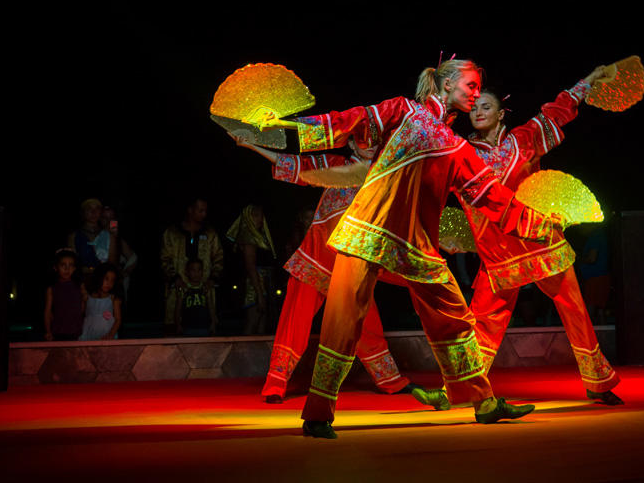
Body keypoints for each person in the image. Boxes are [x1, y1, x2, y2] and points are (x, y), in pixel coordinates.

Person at [255, 58, 558, 438]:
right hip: (367, 231)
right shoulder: (403, 112)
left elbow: (492, 197)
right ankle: (317, 414)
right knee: (341, 322)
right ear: (446, 84)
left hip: (416, 247)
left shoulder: (458, 148)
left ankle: (484, 402)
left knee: (455, 318)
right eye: (471, 85)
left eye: (479, 89)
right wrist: (285, 125)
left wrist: (539, 225)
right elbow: (349, 121)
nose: (476, 94)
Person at [462, 70, 623, 405]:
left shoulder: (524, 138)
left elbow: (557, 111)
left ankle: (597, 381)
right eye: (474, 107)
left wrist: (588, 81)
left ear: (501, 113)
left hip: (539, 240)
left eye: (486, 106)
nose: (478, 112)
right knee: (484, 321)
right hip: (498, 250)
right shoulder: (462, 152)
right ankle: (466, 386)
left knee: (574, 308)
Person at [234, 134, 416, 403]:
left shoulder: (386, 176)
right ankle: (276, 383)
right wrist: (251, 145)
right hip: (316, 259)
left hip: (351, 264)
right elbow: (295, 165)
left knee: (367, 322)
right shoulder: (335, 165)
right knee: (294, 321)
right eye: (363, 139)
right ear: (351, 144)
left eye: (375, 139)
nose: (370, 145)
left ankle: (390, 380)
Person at [160, 198, 223, 334]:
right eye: (200, 210)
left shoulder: (210, 234)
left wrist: (212, 279)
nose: (204, 214)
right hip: (177, 292)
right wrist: (175, 278)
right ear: (190, 210)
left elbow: (219, 258)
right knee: (174, 334)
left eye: (205, 211)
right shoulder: (172, 233)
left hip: (204, 295)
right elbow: (164, 258)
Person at [227, 204, 277, 335]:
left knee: (261, 325)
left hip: (263, 284)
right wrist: (259, 294)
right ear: (247, 218)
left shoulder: (260, 237)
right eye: (255, 216)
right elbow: (250, 266)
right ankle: (244, 349)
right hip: (254, 286)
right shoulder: (248, 237)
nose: (260, 219)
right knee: (252, 323)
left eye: (261, 215)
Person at [67, 198, 118, 275]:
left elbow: (112, 263)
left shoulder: (108, 234)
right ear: (83, 212)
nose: (93, 212)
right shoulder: (73, 236)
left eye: (97, 208)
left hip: (104, 279)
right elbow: (72, 264)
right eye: (89, 208)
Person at [44, 250, 85, 341]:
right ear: (55, 267)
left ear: (74, 268)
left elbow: (82, 308)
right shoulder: (52, 288)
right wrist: (48, 331)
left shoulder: (79, 286)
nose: (67, 269)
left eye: (71, 265)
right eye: (63, 265)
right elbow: (47, 312)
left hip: (76, 332)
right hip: (58, 331)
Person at [101, 206, 137, 304]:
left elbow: (133, 257)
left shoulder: (118, 240)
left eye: (111, 218)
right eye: (105, 218)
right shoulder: (96, 237)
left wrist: (125, 272)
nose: (108, 221)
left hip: (114, 286)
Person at [175, 258, 217, 337]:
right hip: (187, 327)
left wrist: (213, 323)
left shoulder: (205, 289)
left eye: (199, 270)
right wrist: (178, 325)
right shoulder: (184, 289)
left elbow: (211, 307)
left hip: (204, 327)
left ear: (202, 272)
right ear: (187, 272)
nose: (196, 273)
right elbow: (178, 309)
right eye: (193, 270)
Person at [80, 262, 122, 340]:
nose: (109, 283)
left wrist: (111, 334)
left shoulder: (113, 299)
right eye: (106, 279)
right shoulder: (88, 297)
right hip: (89, 334)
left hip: (106, 335)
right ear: (98, 277)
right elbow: (81, 313)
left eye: (112, 280)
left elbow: (118, 319)